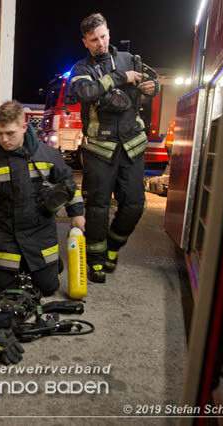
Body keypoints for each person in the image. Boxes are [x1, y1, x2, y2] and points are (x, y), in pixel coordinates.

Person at [0, 100, 85, 296]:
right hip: (3, 233)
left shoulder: (48, 155)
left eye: (10, 133)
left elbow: (68, 182)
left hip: (40, 231)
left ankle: (50, 266)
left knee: (47, 287)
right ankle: (29, 267)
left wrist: (77, 214)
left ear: (24, 127)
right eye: (0, 133)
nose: (4, 139)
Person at [70, 13, 159, 283]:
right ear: (85, 41)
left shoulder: (132, 59)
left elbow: (153, 85)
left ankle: (111, 248)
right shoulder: (81, 69)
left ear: (109, 31)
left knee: (134, 205)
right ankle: (96, 259)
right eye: (94, 40)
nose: (100, 43)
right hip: (99, 149)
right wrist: (120, 78)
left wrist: (151, 87)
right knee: (97, 207)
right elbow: (85, 93)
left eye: (103, 36)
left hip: (132, 145)